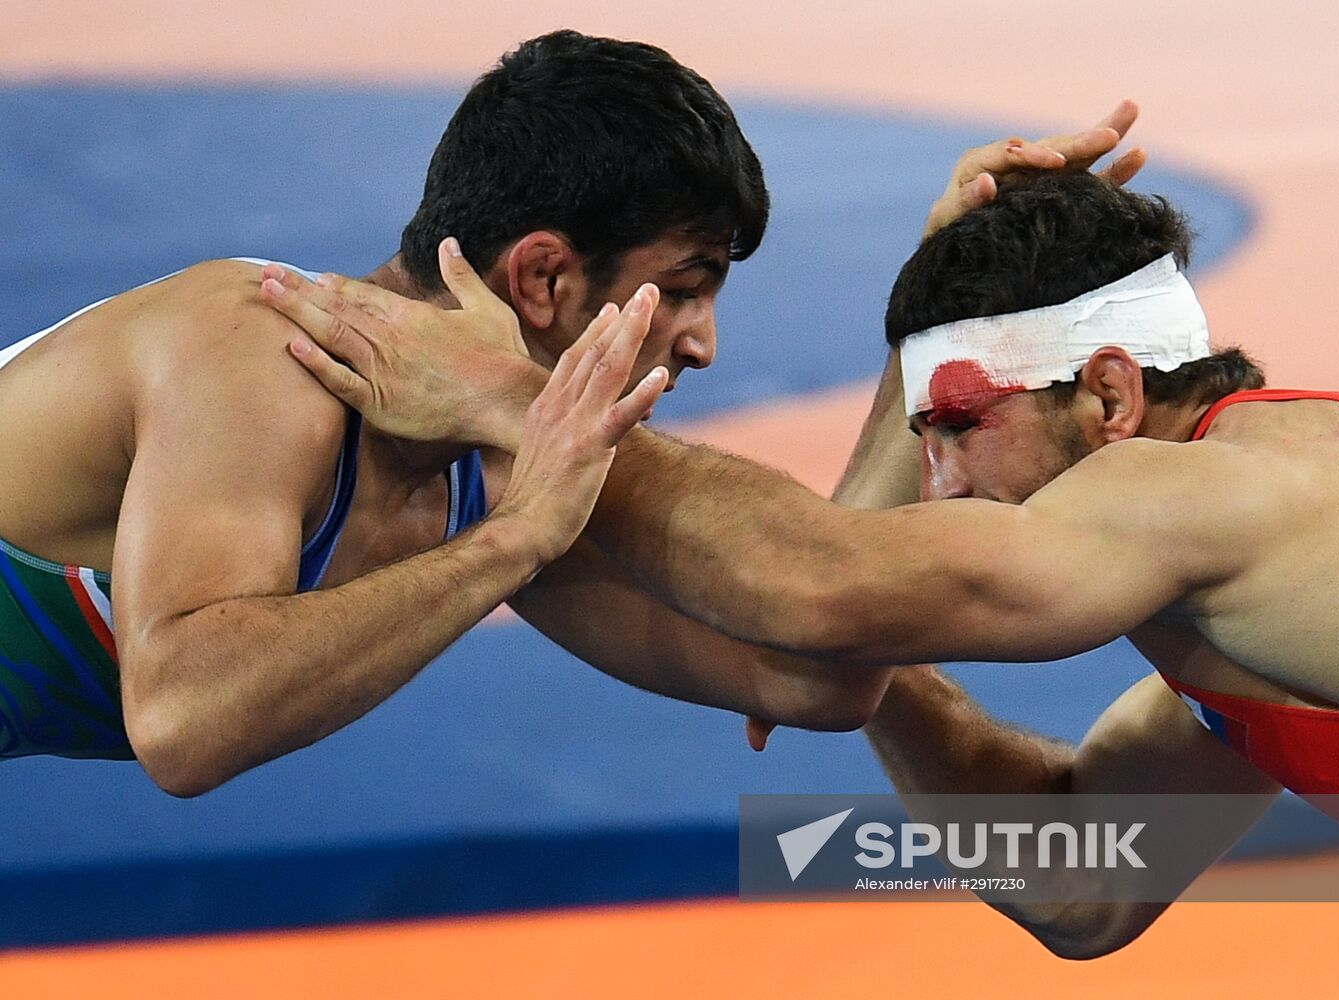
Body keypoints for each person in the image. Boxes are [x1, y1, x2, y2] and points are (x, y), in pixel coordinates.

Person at [268, 136, 1339, 958]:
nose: (939, 487)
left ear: (1108, 394)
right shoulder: (1239, 603)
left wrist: (518, 401)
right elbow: (1080, 877)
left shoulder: (1198, 495)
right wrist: (877, 654)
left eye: (962, 427)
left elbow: (818, 582)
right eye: (924, 440)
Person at [0, 29, 889, 794]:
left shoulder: (508, 473)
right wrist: (512, 543)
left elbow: (814, 676)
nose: (703, 347)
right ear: (544, 278)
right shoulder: (261, 358)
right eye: (685, 291)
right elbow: (183, 722)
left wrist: (924, 341)